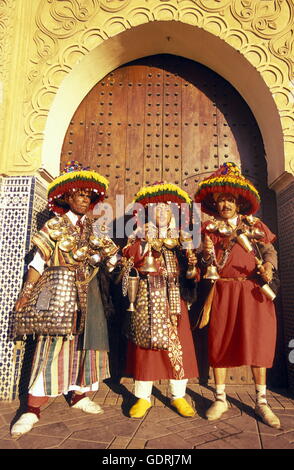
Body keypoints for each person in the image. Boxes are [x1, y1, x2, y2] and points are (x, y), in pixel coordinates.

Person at [11, 161, 120, 438]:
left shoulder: (96, 229)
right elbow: (39, 260)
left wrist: (115, 261)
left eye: (87, 195)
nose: (84, 199)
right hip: (59, 288)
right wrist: (26, 292)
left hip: (90, 292)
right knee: (53, 342)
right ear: (67, 197)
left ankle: (79, 394)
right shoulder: (55, 225)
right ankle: (33, 406)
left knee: (88, 343)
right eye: (78, 194)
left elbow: (109, 261)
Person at [194, 162, 280, 428]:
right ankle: (220, 398)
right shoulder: (208, 230)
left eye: (229, 200)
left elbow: (269, 252)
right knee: (220, 341)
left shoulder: (254, 225)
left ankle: (262, 402)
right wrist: (206, 252)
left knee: (258, 342)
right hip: (223, 290)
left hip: (253, 290)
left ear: (238, 202)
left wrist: (268, 266)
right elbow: (202, 262)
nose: (224, 205)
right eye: (220, 201)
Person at [121, 182, 199, 419]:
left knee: (179, 345)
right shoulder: (138, 233)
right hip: (147, 297)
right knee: (146, 346)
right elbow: (128, 258)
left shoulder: (182, 238)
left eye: (166, 210)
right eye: (157, 210)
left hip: (174, 298)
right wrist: (144, 241)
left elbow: (191, 271)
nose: (161, 214)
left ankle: (178, 396)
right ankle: (142, 397)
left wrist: (192, 267)